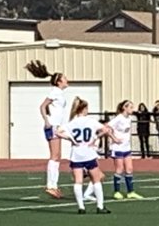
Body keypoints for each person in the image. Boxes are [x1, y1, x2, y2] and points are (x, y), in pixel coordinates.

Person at [57, 98, 111, 214]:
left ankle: (81, 207)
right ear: (84, 109)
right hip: (89, 153)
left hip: (76, 154)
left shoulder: (71, 123)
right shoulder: (90, 121)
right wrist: (95, 138)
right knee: (96, 180)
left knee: (78, 181)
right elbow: (106, 129)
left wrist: (71, 139)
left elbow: (58, 132)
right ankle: (100, 206)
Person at [24, 60, 69, 199]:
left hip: (57, 125)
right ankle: (51, 185)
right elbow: (43, 106)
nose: (67, 80)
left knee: (57, 156)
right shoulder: (55, 92)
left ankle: (54, 185)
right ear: (59, 82)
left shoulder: (59, 93)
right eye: (64, 78)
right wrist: (47, 120)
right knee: (55, 156)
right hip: (53, 126)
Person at [108, 101, 143, 200]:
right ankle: (117, 191)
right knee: (119, 169)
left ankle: (130, 191)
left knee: (129, 169)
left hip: (126, 147)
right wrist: (114, 138)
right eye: (130, 107)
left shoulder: (129, 118)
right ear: (125, 108)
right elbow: (107, 127)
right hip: (118, 147)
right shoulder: (119, 118)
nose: (132, 109)